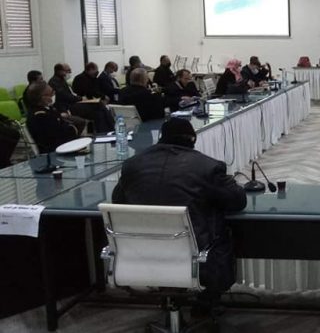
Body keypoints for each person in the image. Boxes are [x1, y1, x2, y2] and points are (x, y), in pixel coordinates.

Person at [112, 118, 247, 313]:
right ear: (193, 139)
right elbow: (237, 201)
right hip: (195, 258)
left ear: (161, 138)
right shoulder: (207, 167)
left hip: (142, 256)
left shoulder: (132, 165)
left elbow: (117, 201)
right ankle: (206, 303)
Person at [49, 63, 113, 132]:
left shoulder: (61, 80)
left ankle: (106, 131)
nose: (70, 72)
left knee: (99, 112)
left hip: (72, 103)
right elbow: (65, 96)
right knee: (98, 105)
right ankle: (111, 128)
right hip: (66, 107)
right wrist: (81, 98)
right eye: (68, 70)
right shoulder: (54, 82)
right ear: (59, 71)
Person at [25, 82, 80, 153]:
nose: (54, 94)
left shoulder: (47, 108)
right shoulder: (40, 116)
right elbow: (56, 136)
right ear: (43, 97)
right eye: (51, 93)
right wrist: (73, 129)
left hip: (62, 142)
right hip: (56, 149)